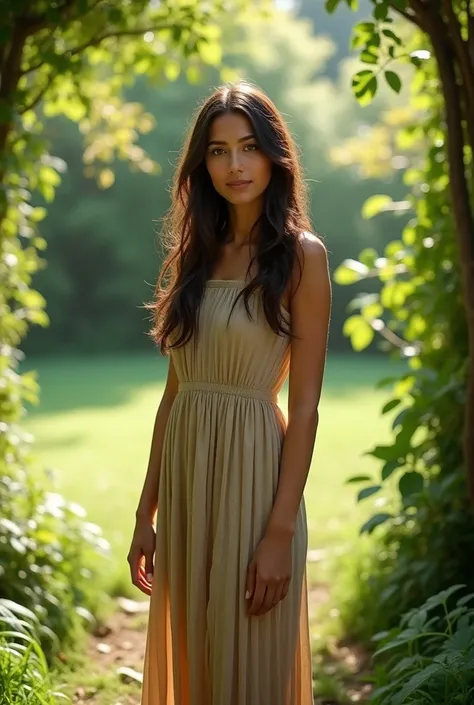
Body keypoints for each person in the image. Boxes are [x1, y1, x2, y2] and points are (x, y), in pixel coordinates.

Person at [127, 80, 331, 705]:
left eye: (248, 147)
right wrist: (145, 513)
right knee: (198, 662)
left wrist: (277, 534)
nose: (235, 165)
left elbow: (305, 407)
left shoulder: (302, 257)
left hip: (255, 481)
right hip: (190, 486)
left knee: (251, 663)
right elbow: (173, 397)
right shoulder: (197, 256)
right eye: (218, 151)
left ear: (274, 156)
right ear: (201, 164)